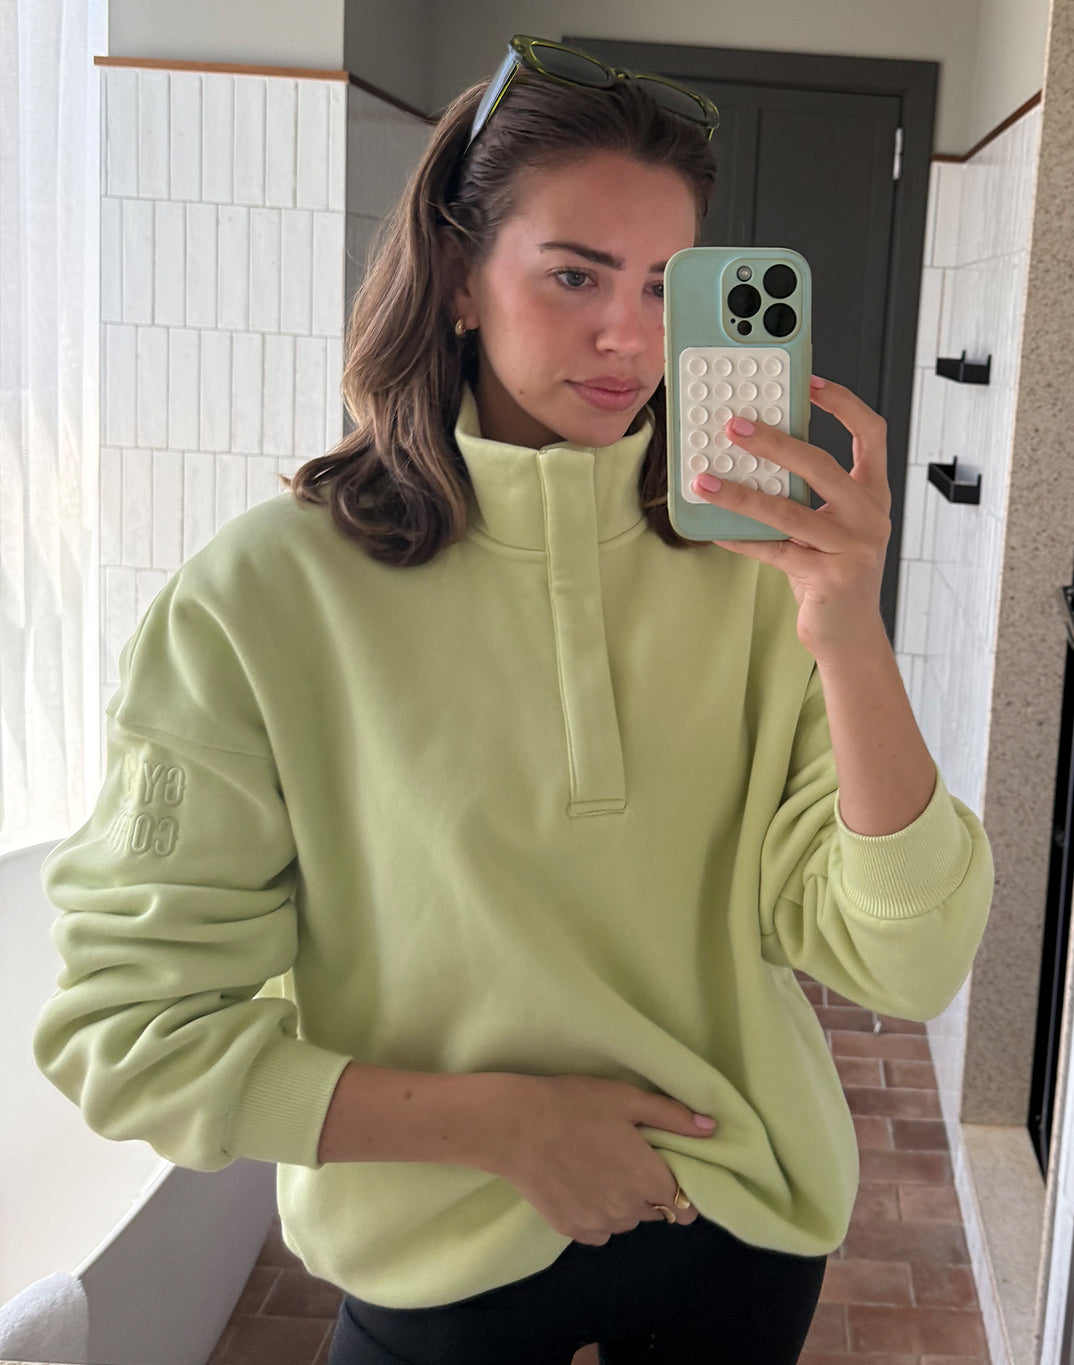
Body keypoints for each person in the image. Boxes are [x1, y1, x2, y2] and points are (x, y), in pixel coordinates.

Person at [33, 35, 993, 1365]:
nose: (629, 337)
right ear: (457, 279)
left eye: (665, 285)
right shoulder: (262, 596)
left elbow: (905, 961)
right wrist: (507, 1125)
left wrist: (851, 629)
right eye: (575, 275)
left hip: (738, 1234)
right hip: (433, 1248)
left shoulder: (759, 574)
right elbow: (125, 1031)